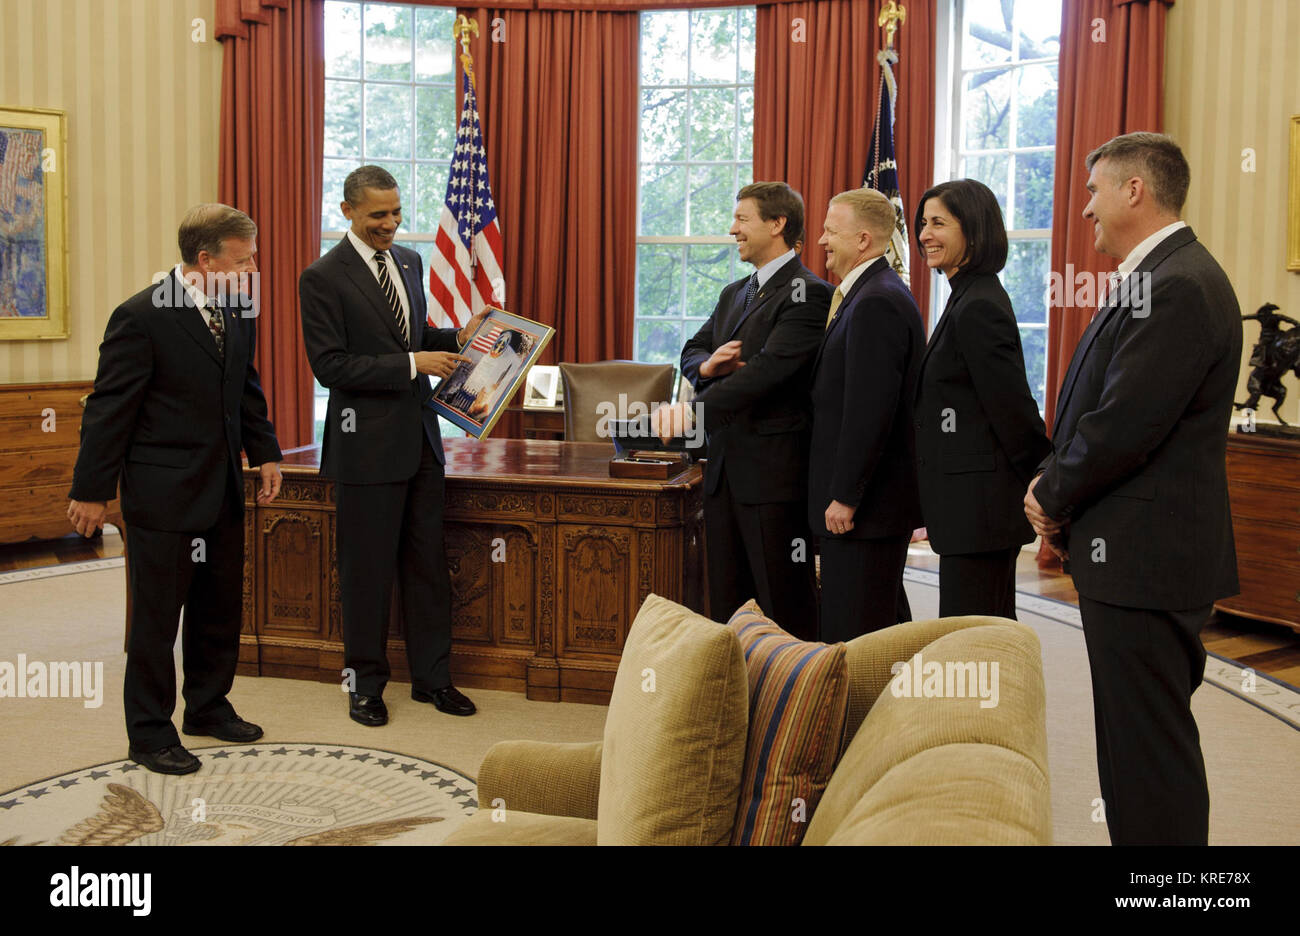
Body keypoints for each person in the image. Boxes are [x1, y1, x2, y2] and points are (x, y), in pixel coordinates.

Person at [1024, 132, 1241, 845]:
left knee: (1150, 755)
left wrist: (1050, 494)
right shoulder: (1162, 276)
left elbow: (1124, 424)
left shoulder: (1178, 283)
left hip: (1148, 557)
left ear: (1134, 191)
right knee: (1134, 748)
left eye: (1093, 190)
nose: (1084, 209)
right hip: (1134, 554)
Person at [68, 204, 283, 775]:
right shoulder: (140, 316)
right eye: (243, 260)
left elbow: (245, 386)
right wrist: (92, 490)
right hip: (162, 495)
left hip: (222, 489)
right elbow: (109, 410)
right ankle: (149, 733)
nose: (253, 267)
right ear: (205, 260)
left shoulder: (239, 306)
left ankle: (208, 707)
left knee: (219, 609)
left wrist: (265, 455)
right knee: (156, 622)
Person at [299, 165, 487, 726]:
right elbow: (331, 366)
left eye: (397, 212)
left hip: (421, 443)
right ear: (348, 211)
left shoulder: (409, 262)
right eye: (379, 214)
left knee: (428, 568)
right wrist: (412, 363)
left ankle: (434, 680)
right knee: (366, 572)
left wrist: (456, 336)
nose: (391, 223)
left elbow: (413, 338)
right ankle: (365, 687)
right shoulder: (322, 277)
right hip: (364, 449)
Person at [653, 182, 829, 638]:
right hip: (723, 474)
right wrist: (707, 365)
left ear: (777, 224)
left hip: (772, 480)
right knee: (727, 603)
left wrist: (692, 413)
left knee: (781, 603)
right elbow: (692, 348)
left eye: (742, 219)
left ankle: (793, 702)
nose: (732, 230)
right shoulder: (736, 292)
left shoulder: (808, 294)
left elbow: (767, 372)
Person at [913, 179, 1050, 618]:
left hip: (981, 514)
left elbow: (1011, 408)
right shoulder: (965, 296)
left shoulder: (980, 304)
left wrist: (1045, 477)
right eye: (922, 223)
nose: (924, 234)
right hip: (967, 511)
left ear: (972, 230)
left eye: (938, 223)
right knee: (971, 638)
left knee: (976, 643)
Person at [808, 188, 924, 641]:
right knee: (880, 622)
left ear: (862, 240)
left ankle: (862, 714)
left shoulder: (876, 300)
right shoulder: (870, 293)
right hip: (868, 506)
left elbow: (870, 409)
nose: (821, 240)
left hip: (866, 509)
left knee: (855, 634)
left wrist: (846, 496)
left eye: (830, 231)